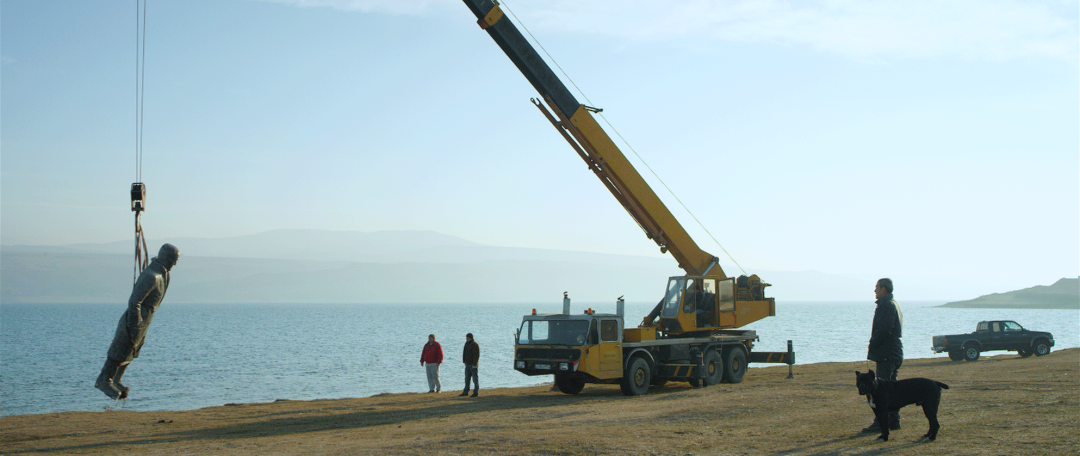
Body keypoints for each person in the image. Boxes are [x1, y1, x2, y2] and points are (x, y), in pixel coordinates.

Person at [95, 243, 179, 399]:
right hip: (135, 319)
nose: (174, 264)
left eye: (176, 260)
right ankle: (104, 380)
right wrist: (135, 322)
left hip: (146, 319)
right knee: (121, 349)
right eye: (173, 260)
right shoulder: (151, 276)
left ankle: (116, 378)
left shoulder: (164, 274)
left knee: (132, 351)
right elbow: (135, 301)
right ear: (165, 258)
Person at [862, 277, 904, 433]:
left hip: (887, 354)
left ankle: (881, 422)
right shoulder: (893, 303)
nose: (875, 290)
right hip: (894, 353)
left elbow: (884, 330)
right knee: (892, 389)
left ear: (883, 290)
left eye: (877, 287)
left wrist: (873, 343)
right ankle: (893, 420)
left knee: (881, 390)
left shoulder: (885, 305)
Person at [459, 332, 480, 397]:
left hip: (473, 365)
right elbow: (464, 353)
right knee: (467, 379)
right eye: (466, 337)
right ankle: (465, 391)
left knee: (475, 379)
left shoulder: (474, 345)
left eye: (468, 338)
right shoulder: (467, 344)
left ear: (471, 338)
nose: (467, 339)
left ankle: (476, 392)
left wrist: (475, 364)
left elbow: (476, 356)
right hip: (467, 364)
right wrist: (464, 361)